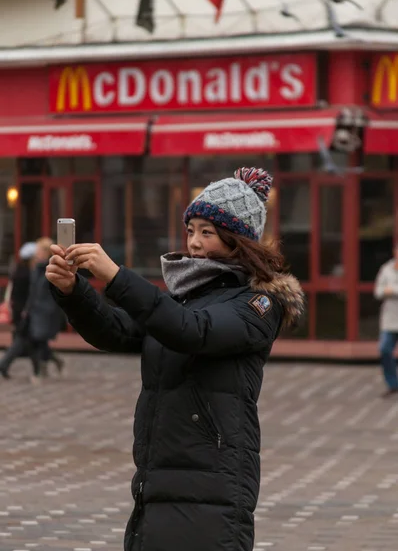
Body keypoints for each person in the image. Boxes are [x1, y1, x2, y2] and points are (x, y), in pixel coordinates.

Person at [46, 167, 304, 551]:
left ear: (238, 242)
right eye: (191, 230)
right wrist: (73, 292)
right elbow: (117, 331)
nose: (194, 243)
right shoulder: (187, 298)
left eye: (207, 232)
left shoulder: (258, 304)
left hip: (213, 481)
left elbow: (191, 331)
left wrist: (116, 277)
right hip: (161, 473)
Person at [0, 237, 65, 383]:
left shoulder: (48, 268)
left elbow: (48, 292)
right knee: (34, 341)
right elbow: (33, 292)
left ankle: (38, 370)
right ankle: (44, 367)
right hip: (33, 311)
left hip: (44, 312)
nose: (37, 254)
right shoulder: (35, 268)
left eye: (39, 251)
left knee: (34, 341)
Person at [374, 244, 398, 397]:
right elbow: (378, 292)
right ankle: (392, 383)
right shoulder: (386, 269)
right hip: (389, 320)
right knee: (384, 349)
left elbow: (390, 290)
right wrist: (385, 291)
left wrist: (392, 290)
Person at [9, 242, 37, 337]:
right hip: (23, 308)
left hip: (18, 307)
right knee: (22, 335)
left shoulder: (18, 270)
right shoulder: (27, 274)